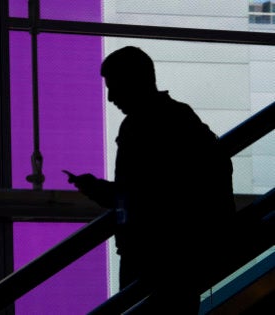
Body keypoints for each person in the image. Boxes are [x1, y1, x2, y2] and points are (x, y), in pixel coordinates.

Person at [68, 46, 235, 314]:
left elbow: (139, 195)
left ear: (133, 81)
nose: (110, 98)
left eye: (115, 87)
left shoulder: (140, 126)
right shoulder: (179, 118)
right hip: (177, 259)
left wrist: (97, 189)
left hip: (150, 257)